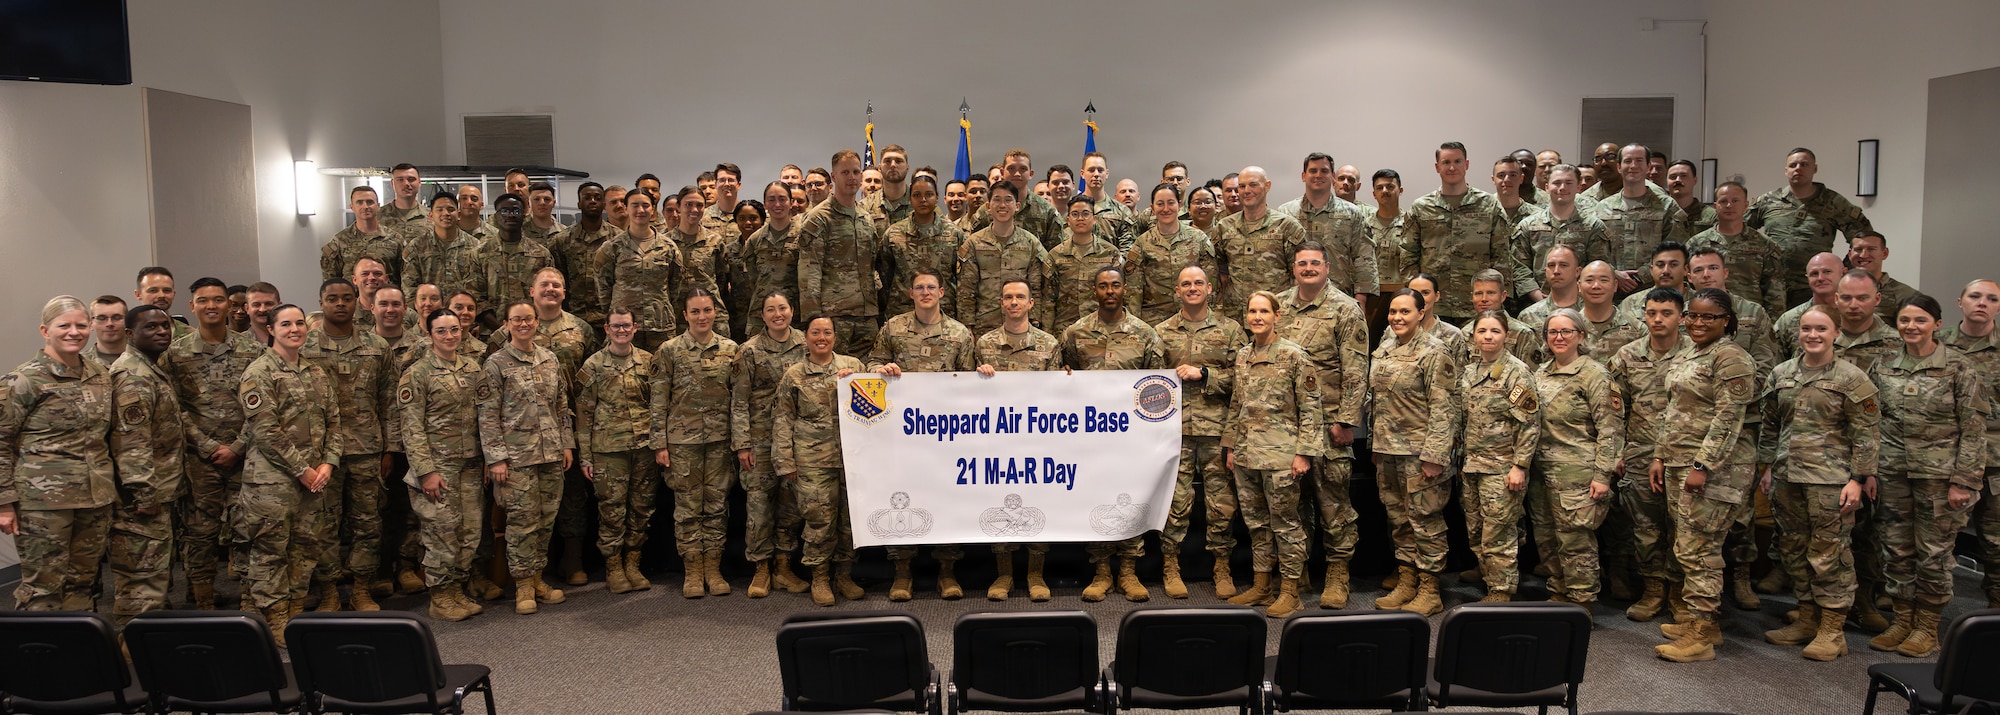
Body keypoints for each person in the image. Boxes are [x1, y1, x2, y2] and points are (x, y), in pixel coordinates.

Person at [1759, 304, 1879, 661]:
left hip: (1832, 482)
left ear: (1836, 334)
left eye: (1821, 329)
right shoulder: (1781, 374)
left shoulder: (1853, 378)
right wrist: (1766, 467)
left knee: (1829, 555)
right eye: (1807, 328)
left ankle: (1832, 630)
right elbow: (1770, 426)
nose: (1812, 335)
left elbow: (1867, 435)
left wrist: (1858, 479)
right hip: (1787, 477)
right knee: (1793, 552)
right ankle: (1807, 618)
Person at [1868, 294, 1986, 657]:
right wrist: (1868, 471)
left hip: (1940, 477)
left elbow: (1974, 428)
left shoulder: (1958, 367)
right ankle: (1903, 618)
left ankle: (1926, 627)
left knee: (1934, 553)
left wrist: (1964, 481)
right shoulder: (1884, 362)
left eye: (1920, 320)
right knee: (1895, 550)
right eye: (1904, 320)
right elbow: (1871, 421)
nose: (1911, 327)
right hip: (1892, 472)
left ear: (1936, 324)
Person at [0, 295, 115, 611]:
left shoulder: (99, 375)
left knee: (82, 582)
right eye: (64, 325)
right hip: (43, 503)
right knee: (44, 588)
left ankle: (73, 654)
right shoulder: (23, 380)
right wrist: (4, 503)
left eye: (81, 325)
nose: (74, 332)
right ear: (45, 330)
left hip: (95, 497)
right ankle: (37, 655)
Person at [867, 271, 977, 600]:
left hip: (944, 435)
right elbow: (872, 360)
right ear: (910, 293)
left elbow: (969, 382)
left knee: (944, 497)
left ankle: (947, 571)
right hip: (901, 432)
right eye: (919, 288)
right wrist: (879, 370)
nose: (925, 292)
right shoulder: (894, 328)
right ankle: (902, 572)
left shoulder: (959, 334)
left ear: (942, 292)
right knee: (901, 496)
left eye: (931, 287)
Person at [233, 303, 337, 645]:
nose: (295, 329)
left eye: (299, 323)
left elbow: (335, 422)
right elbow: (265, 431)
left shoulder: (315, 372)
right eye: (286, 324)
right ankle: (273, 616)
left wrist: (328, 464)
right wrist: (302, 469)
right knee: (271, 550)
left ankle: (294, 609)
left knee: (306, 547)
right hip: (273, 482)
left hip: (315, 479)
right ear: (271, 329)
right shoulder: (259, 372)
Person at [1061, 267, 1166, 602]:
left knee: (1130, 497)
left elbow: (1159, 382)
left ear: (1125, 290)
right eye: (1103, 286)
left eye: (1115, 285)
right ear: (1094, 292)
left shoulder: (1145, 334)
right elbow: (1058, 381)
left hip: (1133, 435)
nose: (1110, 291)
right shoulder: (1075, 333)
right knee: (1098, 496)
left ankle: (1129, 572)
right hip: (1090, 433)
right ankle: (1102, 569)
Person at [1275, 244, 1370, 607]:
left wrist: (1347, 420)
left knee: (1333, 503)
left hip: (1330, 421)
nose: (1309, 268)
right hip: (1288, 424)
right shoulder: (1279, 305)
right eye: (1303, 263)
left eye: (1316, 262)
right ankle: (1295, 574)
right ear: (1293, 268)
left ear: (1328, 267)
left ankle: (1337, 574)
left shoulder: (1345, 309)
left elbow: (1356, 369)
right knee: (1292, 504)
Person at [1221, 290, 1324, 618]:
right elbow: (1237, 403)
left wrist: (1304, 453)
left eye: (1264, 311)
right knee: (1256, 524)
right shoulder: (1242, 356)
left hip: (1281, 456)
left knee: (1286, 524)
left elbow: (1311, 407)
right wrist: (1231, 446)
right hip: (1248, 454)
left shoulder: (1294, 355)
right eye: (1252, 311)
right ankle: (1262, 585)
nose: (1257, 317)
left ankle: (1291, 590)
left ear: (1277, 316)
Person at [300, 278, 395, 613]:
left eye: (346, 298)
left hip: (367, 448)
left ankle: (361, 588)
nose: (339, 304)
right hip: (321, 453)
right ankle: (328, 591)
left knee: (367, 522)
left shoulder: (376, 346)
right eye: (331, 299)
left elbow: (388, 400)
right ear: (321, 302)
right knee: (323, 523)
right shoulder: (304, 345)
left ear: (357, 301)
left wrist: (388, 449)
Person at [1155, 266, 1247, 599]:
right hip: (1173, 430)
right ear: (1176, 291)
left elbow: (1243, 378)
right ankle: (1170, 565)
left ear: (1210, 288)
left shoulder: (1230, 330)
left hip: (1217, 429)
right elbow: (1145, 381)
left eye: (1198, 283)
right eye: (1185, 284)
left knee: (1221, 504)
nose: (1192, 288)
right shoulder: (1161, 332)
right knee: (1175, 502)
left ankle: (1222, 566)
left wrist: (1205, 374)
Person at [479, 299, 575, 615]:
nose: (523, 324)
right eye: (516, 319)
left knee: (546, 521)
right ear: (506, 324)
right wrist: (495, 459)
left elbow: (561, 405)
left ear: (536, 322)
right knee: (521, 523)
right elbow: (488, 414)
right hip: (516, 459)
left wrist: (566, 444)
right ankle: (521, 586)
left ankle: (537, 578)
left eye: (529, 319)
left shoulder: (549, 359)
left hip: (549, 455)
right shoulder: (495, 364)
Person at [1370, 289, 1462, 615]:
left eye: (1405, 312)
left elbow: (1445, 409)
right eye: (1393, 311)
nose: (1397, 317)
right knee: (1399, 520)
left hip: (1421, 455)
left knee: (1425, 521)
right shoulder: (1384, 349)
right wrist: (1375, 446)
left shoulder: (1436, 352)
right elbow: (1377, 403)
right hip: (1388, 451)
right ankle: (1406, 580)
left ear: (1421, 313)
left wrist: (1436, 456)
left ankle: (1430, 588)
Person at [1526, 308, 1624, 611]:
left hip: (1578, 476)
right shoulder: (1539, 374)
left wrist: (1602, 475)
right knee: (1546, 538)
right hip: (1541, 473)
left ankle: (1582, 604)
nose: (1559, 337)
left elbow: (1611, 429)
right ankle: (1558, 594)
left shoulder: (1595, 374)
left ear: (1580, 335)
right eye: (1552, 332)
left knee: (1576, 542)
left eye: (1566, 331)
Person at [398, 308, 489, 621]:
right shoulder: (417, 373)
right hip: (439, 468)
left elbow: (485, 418)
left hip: (471, 465)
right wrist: (426, 472)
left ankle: (456, 590)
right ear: (429, 334)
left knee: (470, 533)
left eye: (454, 330)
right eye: (441, 331)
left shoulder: (474, 369)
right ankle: (439, 596)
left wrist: (489, 457)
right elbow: (411, 428)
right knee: (441, 533)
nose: (449, 336)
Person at [1610, 288, 1694, 621]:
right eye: (1652, 312)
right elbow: (1614, 409)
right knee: (1645, 529)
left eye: (1667, 313)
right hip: (1640, 453)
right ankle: (1653, 589)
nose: (1658, 319)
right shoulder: (1626, 356)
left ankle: (1679, 594)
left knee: (1682, 529)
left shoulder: (1696, 355)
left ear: (1681, 317)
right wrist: (1617, 451)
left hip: (1683, 455)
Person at [651, 289, 738, 598]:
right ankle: (692, 571)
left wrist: (739, 442)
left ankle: (713, 568)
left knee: (716, 506)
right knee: (687, 508)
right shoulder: (670, 350)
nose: (702, 316)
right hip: (682, 443)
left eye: (707, 310)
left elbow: (738, 400)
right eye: (696, 311)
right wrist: (659, 443)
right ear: (685, 315)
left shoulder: (730, 349)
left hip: (719, 440)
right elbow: (659, 400)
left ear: (715, 313)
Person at [774, 315, 867, 606]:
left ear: (835, 337)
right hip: (812, 460)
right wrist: (785, 462)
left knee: (849, 521)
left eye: (827, 332)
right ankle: (820, 577)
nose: (821, 338)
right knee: (819, 520)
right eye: (815, 332)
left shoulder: (852, 367)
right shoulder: (795, 375)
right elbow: (783, 418)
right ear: (806, 337)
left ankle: (844, 575)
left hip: (852, 459)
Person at [105, 305, 182, 629]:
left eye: (165, 325)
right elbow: (131, 443)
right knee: (140, 583)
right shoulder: (133, 377)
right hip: (141, 502)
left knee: (153, 580)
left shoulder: (151, 368)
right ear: (130, 335)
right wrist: (144, 495)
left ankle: (149, 649)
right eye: (151, 327)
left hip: (158, 493)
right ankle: (133, 657)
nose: (162, 331)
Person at [573, 305, 658, 597]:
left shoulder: (648, 362)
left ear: (635, 328)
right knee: (611, 510)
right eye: (616, 326)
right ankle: (613, 566)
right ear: (606, 330)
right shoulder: (593, 366)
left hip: (644, 449)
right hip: (609, 451)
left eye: (626, 326)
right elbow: (583, 414)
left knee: (641, 509)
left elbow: (658, 407)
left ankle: (633, 563)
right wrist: (585, 455)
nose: (622, 331)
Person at [1458, 309, 1541, 602]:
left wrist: (1519, 466)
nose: (1488, 337)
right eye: (1482, 331)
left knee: (1499, 532)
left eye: (1494, 331)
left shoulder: (1517, 373)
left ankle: (1501, 590)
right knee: (1476, 529)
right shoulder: (1470, 372)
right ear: (1474, 336)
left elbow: (1529, 424)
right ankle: (1488, 573)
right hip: (1472, 466)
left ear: (1506, 335)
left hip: (1502, 467)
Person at [733, 292, 811, 598]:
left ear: (792, 311)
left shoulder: (807, 343)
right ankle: (761, 569)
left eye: (782, 308)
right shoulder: (749, 351)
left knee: (791, 506)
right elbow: (739, 402)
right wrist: (742, 444)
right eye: (770, 310)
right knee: (759, 506)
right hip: (761, 439)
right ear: (762, 316)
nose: (777, 314)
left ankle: (783, 567)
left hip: (797, 439)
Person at [1401, 143, 1531, 323]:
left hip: (1477, 305)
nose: (1452, 167)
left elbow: (1501, 257)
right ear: (1437, 167)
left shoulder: (1488, 205)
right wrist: (1414, 296)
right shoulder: (1421, 208)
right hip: (1433, 307)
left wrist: (1499, 301)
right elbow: (1408, 255)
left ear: (1467, 164)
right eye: (1446, 162)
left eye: (1457, 161)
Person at [1746, 148, 1875, 308]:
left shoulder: (1832, 202)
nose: (1798, 168)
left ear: (1815, 169)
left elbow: (1863, 237)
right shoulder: (1769, 201)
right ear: (1786, 171)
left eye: (1804, 164)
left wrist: (1841, 270)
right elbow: (1739, 229)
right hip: (1772, 286)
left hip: (1816, 287)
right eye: (1793, 165)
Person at [1941, 279, 2000, 609]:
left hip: (1995, 457)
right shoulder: (1939, 343)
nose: (1982, 303)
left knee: (1996, 541)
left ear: (1998, 307)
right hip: (1946, 456)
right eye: (1975, 296)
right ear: (1960, 302)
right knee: (1939, 539)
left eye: (1991, 298)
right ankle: (1931, 615)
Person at [798, 149, 888, 355]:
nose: (852, 178)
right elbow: (809, 274)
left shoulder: (865, 217)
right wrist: (815, 322)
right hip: (833, 317)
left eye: (856, 172)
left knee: (866, 380)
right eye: (845, 172)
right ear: (833, 177)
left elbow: (872, 267)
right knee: (832, 378)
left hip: (867, 316)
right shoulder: (819, 218)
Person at [1279, 153, 1379, 312]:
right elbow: (1279, 259)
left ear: (1332, 177)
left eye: (1324, 171)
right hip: (1294, 301)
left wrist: (1361, 299)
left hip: (1339, 301)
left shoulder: (1351, 213)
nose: (1318, 175)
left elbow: (1364, 257)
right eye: (1313, 171)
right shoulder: (1285, 213)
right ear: (1303, 176)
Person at [598, 189, 691, 349]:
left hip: (660, 326)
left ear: (653, 209)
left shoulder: (668, 247)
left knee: (662, 370)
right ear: (626, 208)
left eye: (645, 205)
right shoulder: (611, 248)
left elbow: (674, 287)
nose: (640, 210)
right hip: (623, 326)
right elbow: (603, 289)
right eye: (635, 205)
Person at [956, 181, 1052, 334]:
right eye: (997, 199)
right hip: (984, 326)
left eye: (1008, 200)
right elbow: (966, 290)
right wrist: (967, 326)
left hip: (1021, 326)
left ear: (1017, 206)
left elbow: (1036, 287)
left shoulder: (1031, 243)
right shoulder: (974, 243)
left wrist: (1035, 321)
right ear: (988, 206)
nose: (1002, 205)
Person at [1593, 144, 1691, 293]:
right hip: (1609, 290)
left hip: (1654, 290)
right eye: (1628, 161)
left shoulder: (1666, 205)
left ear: (1648, 166)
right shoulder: (1602, 207)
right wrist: (1613, 273)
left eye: (1639, 161)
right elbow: (1595, 248)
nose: (1633, 166)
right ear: (1619, 167)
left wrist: (1640, 277)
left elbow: (1676, 248)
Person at [1214, 167, 1306, 316]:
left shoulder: (1287, 226)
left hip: (1274, 315)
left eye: (1253, 185)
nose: (1246, 190)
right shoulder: (1224, 227)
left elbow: (1299, 276)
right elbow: (1219, 274)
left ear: (1267, 186)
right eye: (1242, 186)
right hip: (1235, 317)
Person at [1688, 182, 1787, 317]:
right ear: (1715, 206)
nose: (1729, 205)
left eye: (1735, 201)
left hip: (1749, 319)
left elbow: (1775, 292)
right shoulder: (1696, 244)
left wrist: (1771, 324)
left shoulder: (1765, 245)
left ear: (1746, 206)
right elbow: (1686, 286)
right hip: (1706, 317)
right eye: (1723, 201)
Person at [1126, 184, 1220, 324]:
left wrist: (1211, 320)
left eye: (1171, 203)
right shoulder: (1142, 243)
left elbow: (1211, 284)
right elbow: (1134, 292)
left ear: (1180, 205)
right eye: (1160, 204)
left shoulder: (1198, 239)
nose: (1166, 209)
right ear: (1152, 208)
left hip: (1193, 317)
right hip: (1153, 320)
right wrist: (1135, 326)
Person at [1513, 164, 1610, 297]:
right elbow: (1519, 267)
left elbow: (1598, 268)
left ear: (1577, 187)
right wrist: (1535, 295)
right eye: (1557, 183)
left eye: (1569, 183)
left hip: (1581, 304)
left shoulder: (1593, 227)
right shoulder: (1528, 226)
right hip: (1536, 304)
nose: (1562, 188)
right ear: (1547, 187)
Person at [1688, 247, 1782, 376]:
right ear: (1689, 277)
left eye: (1713, 268)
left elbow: (1766, 364)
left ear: (1725, 273)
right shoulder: (1681, 314)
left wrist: (1738, 392)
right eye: (1698, 270)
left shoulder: (1753, 312)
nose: (1706, 274)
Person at [882, 176, 966, 320]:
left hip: (943, 315)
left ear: (937, 197)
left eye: (928, 194)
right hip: (901, 315)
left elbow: (963, 279)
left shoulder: (954, 234)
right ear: (910, 198)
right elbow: (885, 276)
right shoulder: (894, 233)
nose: (923, 200)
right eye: (917, 195)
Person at [549, 182, 621, 331]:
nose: (593, 201)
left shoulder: (618, 239)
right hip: (574, 318)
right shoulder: (562, 240)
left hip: (610, 317)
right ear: (579, 204)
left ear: (604, 204)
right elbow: (558, 279)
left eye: (597, 197)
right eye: (587, 197)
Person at [1048, 195, 1126, 328]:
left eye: (1085, 214)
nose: (1080, 218)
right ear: (1068, 220)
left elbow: (1121, 295)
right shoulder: (1055, 255)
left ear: (1094, 219)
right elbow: (1048, 298)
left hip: (1102, 327)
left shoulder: (1110, 253)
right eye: (1075, 214)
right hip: (1064, 328)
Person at [667, 187, 732, 336]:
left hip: (711, 313)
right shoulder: (666, 242)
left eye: (699, 205)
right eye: (688, 204)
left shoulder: (715, 241)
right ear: (678, 206)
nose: (694, 210)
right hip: (677, 315)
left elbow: (722, 276)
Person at [474, 193, 555, 308]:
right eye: (505, 211)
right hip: (491, 324)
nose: (511, 215)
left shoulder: (541, 254)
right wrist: (498, 326)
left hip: (532, 323)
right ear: (496, 217)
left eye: (516, 211)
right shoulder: (479, 254)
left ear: (523, 216)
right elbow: (475, 296)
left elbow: (548, 294)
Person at [323, 186, 403, 286]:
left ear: (378, 206)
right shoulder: (339, 241)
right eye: (359, 202)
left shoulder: (395, 239)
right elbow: (331, 282)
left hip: (386, 299)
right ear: (352, 207)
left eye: (370, 202)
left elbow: (405, 278)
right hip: (352, 300)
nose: (365, 206)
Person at [1774, 253, 1847, 359]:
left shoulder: (1855, 316)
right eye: (1814, 274)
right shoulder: (1788, 320)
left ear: (1843, 273)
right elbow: (1775, 363)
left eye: (1827, 272)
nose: (1820, 278)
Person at [1467, 269, 1546, 366]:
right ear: (1472, 297)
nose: (1484, 299)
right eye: (1478, 293)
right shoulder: (1465, 333)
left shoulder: (1522, 333)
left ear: (1503, 296)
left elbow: (1532, 374)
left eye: (1491, 293)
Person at [1846, 231, 1919, 323]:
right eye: (1858, 249)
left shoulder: (1906, 295)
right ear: (1850, 254)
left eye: (1871, 249)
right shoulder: (1836, 290)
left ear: (1884, 253)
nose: (1863, 255)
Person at [403, 193, 461, 300]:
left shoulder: (474, 246)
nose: (446, 213)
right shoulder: (417, 246)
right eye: (439, 210)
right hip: (427, 311)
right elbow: (409, 288)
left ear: (459, 215)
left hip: (463, 311)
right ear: (431, 216)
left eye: (450, 209)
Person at [1079, 153, 1136, 252]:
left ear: (1107, 174)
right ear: (1082, 174)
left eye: (1100, 170)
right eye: (1091, 170)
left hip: (1113, 266)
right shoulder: (1071, 209)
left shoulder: (1121, 211)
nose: (1096, 174)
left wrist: (1114, 267)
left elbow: (1128, 249)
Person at [1619, 242, 1692, 318]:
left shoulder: (1700, 301)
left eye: (1673, 265)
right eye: (1660, 265)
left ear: (1686, 269)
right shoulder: (1631, 304)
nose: (1666, 271)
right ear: (1651, 270)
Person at [860, 148, 913, 237]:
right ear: (879, 168)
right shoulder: (864, 207)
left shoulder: (921, 204)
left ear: (907, 168)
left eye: (898, 161)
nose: (893, 165)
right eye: (887, 161)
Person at [133, 266, 191, 342]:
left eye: (166, 290)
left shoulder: (189, 335)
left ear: (173, 294)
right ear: (138, 294)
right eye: (153, 290)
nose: (161, 295)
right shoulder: (125, 334)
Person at [1665, 160, 1718, 238]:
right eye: (1673, 177)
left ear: (1695, 180)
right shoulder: (1660, 213)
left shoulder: (1711, 216)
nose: (1678, 180)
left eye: (1684, 176)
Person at [89, 295, 129, 366]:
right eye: (101, 318)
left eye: (117, 317)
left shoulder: (145, 359)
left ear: (127, 321)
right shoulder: (80, 363)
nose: (109, 324)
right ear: (91, 324)